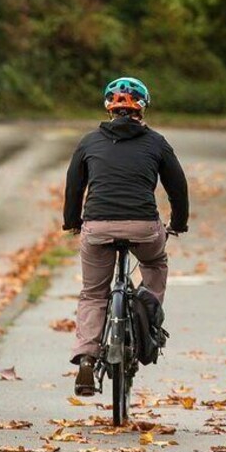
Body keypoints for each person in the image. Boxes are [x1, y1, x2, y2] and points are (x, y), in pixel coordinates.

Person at [63, 77, 189, 396]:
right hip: (143, 227)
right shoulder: (157, 142)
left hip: (98, 227)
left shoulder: (89, 142)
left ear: (109, 108)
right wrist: (179, 222)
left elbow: (74, 186)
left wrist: (72, 221)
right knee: (155, 265)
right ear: (142, 107)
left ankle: (87, 359)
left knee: (93, 293)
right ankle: (148, 314)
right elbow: (178, 187)